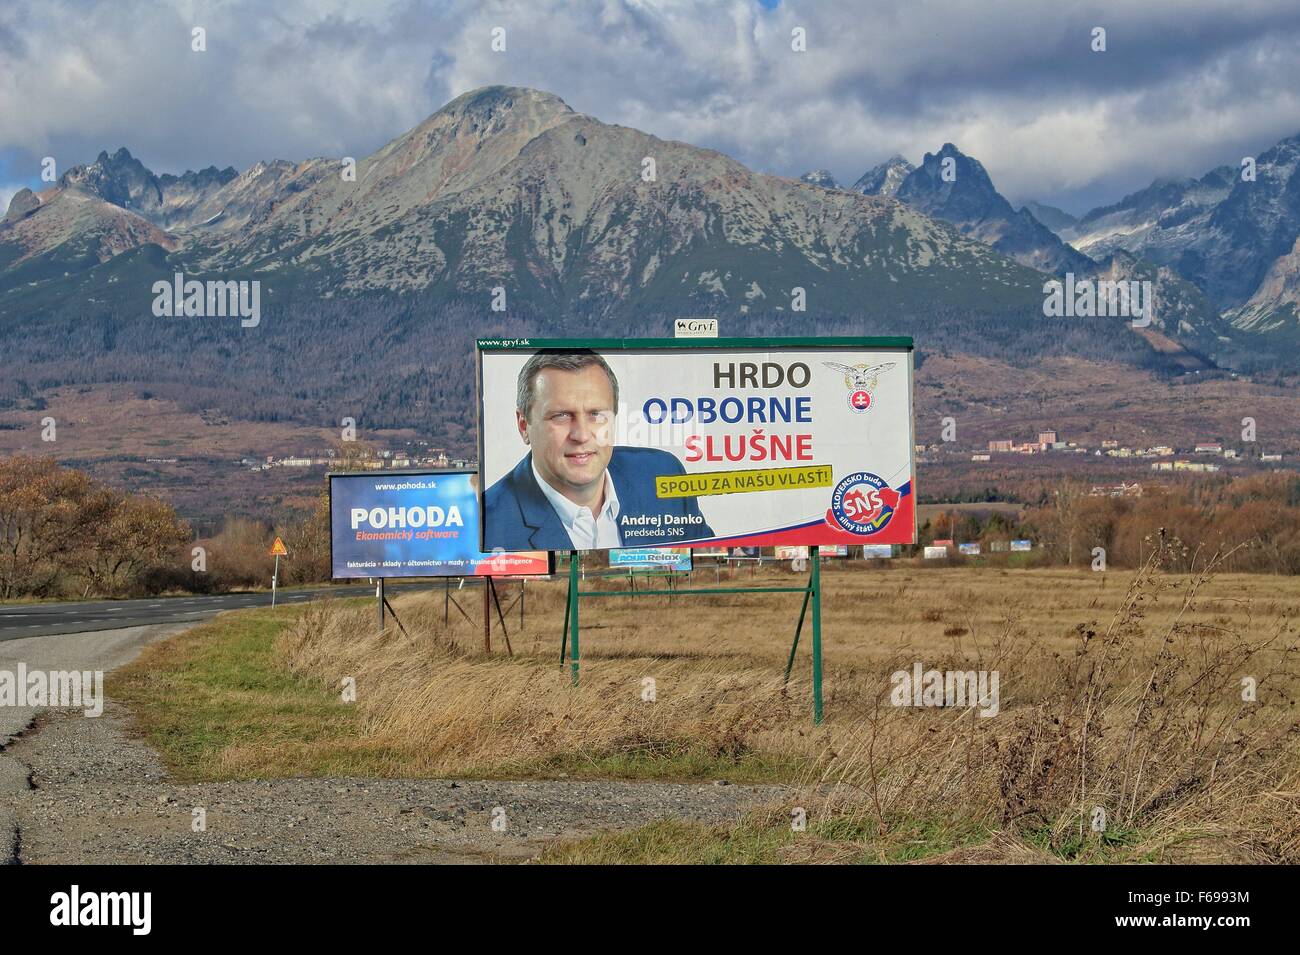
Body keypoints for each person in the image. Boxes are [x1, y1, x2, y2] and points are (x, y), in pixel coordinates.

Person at [485, 350, 713, 550]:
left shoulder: (662, 474)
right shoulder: (488, 524)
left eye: (596, 414)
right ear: (524, 425)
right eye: (561, 416)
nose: (582, 435)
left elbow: (709, 573)